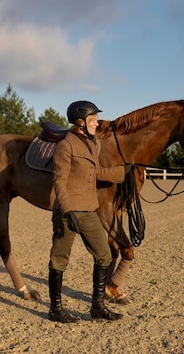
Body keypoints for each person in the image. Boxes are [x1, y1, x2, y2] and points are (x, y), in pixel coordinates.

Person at [48, 100, 127, 323]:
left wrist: (123, 172)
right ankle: (55, 309)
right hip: (69, 212)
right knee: (59, 259)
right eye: (93, 120)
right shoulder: (66, 145)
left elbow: (96, 172)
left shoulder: (93, 143)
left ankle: (97, 307)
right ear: (81, 122)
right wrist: (67, 210)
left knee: (103, 255)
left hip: (89, 209)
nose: (97, 123)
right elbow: (59, 180)